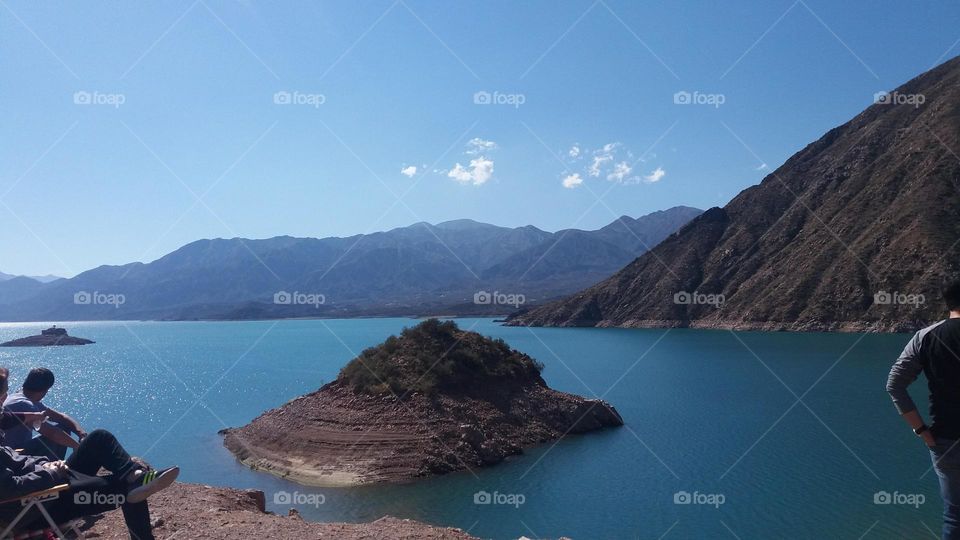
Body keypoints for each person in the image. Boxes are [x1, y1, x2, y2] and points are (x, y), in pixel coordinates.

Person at [0, 369, 179, 539]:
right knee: (128, 488)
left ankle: (134, 473)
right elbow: (9, 488)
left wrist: (44, 463)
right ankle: (135, 482)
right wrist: (51, 472)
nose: (5, 398)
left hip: (44, 488)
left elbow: (15, 458)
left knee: (99, 438)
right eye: (3, 394)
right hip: (36, 506)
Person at [887, 275, 960, 540]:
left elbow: (894, 385)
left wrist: (921, 430)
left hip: (945, 440)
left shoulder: (925, 337)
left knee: (955, 515)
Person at [2, 368, 86, 459]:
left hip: (12, 450)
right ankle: (56, 465)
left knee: (64, 426)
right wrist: (78, 447)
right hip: (11, 454)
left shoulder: (20, 397)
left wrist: (82, 434)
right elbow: (52, 433)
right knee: (60, 434)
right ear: (45, 390)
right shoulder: (25, 404)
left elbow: (61, 417)